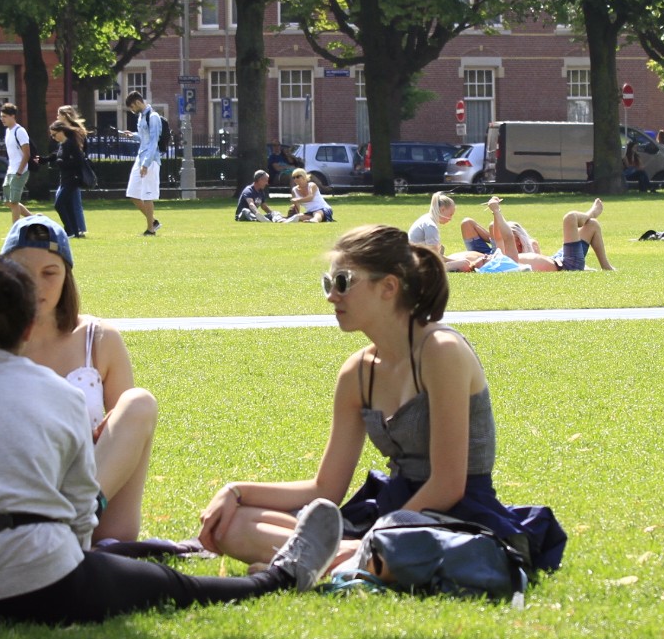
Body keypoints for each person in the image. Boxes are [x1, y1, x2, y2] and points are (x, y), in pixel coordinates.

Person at [0, 256, 341, 629]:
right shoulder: (60, 395)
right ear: (29, 327)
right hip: (48, 586)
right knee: (170, 587)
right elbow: (79, 511)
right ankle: (272, 580)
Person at [196, 224, 564, 578]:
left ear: (388, 286)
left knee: (397, 550)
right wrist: (236, 491)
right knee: (234, 524)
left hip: (455, 516)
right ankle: (336, 562)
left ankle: (328, 561)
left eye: (342, 283)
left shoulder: (441, 351)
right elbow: (325, 488)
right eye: (328, 283)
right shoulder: (358, 372)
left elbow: (449, 485)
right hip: (392, 511)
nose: (330, 296)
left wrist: (376, 537)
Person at [0, 217, 157, 542]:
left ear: (66, 276)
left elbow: (125, 438)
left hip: (96, 509)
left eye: (49, 273)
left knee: (139, 403)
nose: (36, 285)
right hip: (18, 504)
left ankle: (73, 521)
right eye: (23, 273)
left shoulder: (98, 338)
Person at [125, 91, 164, 235]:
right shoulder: (141, 116)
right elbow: (143, 138)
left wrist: (146, 164)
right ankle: (153, 221)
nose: (132, 110)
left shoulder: (153, 117)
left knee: (147, 194)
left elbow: (153, 142)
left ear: (137, 103)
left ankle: (150, 229)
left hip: (150, 160)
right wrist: (132, 135)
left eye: (132, 107)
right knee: (132, 193)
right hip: (140, 157)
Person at [49, 111, 89, 238]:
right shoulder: (62, 144)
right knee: (68, 205)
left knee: (59, 204)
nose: (53, 138)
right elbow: (58, 158)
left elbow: (78, 161)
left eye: (54, 135)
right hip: (65, 179)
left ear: (61, 132)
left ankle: (70, 230)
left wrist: (61, 163)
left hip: (72, 179)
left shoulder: (71, 144)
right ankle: (75, 232)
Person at [0, 103, 33, 214]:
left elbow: (27, 154)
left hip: (19, 171)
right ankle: (32, 218)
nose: (2, 119)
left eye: (5, 116)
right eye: (1, 116)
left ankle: (16, 229)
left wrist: (19, 172)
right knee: (7, 201)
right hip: (11, 170)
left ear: (12, 116)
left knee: (14, 202)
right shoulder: (8, 131)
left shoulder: (20, 131)